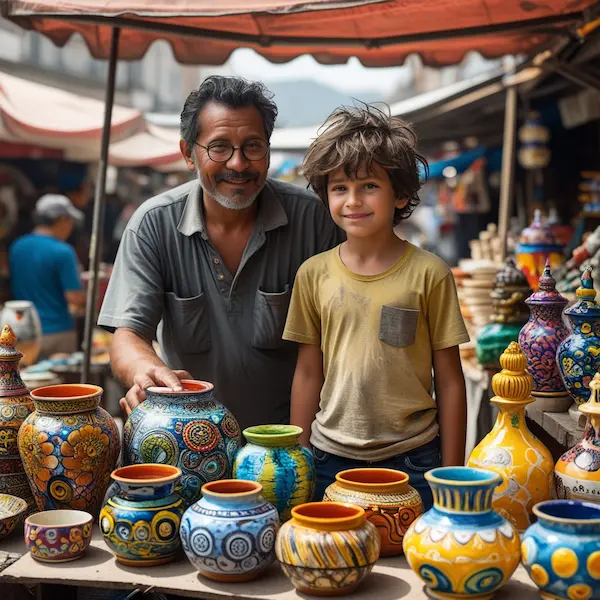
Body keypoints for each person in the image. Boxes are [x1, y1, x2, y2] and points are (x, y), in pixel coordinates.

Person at [98, 76, 342, 430]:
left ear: (269, 150)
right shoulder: (153, 224)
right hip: (189, 441)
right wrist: (146, 371)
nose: (238, 163)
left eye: (253, 146)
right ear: (188, 154)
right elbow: (127, 333)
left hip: (294, 442)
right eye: (220, 147)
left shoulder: (314, 220)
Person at [282, 105, 470, 508]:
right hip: (327, 459)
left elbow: (451, 380)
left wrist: (451, 476)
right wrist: (297, 462)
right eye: (339, 188)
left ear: (400, 192)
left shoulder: (430, 273)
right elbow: (308, 370)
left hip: (415, 460)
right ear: (325, 195)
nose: (353, 201)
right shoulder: (313, 275)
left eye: (369, 185)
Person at [9, 194, 86, 357]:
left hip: (22, 333)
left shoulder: (17, 246)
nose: (71, 227)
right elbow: (74, 297)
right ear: (61, 219)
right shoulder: (63, 251)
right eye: (70, 221)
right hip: (57, 333)